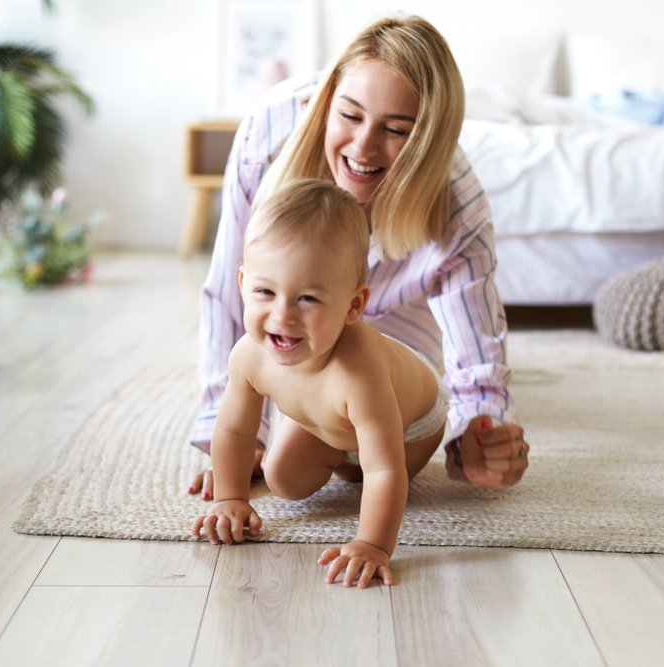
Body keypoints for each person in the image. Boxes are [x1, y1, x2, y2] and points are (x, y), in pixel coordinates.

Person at [188, 14, 529, 503]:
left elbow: (475, 351)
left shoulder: (456, 202)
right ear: (327, 103)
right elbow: (230, 291)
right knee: (287, 459)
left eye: (396, 129)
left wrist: (480, 435)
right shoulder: (268, 133)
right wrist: (234, 442)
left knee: (365, 395)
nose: (363, 146)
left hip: (398, 321)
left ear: (428, 141)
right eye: (350, 116)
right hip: (296, 305)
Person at [192, 179, 452, 588]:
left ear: (354, 305)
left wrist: (372, 544)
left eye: (308, 299)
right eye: (265, 291)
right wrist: (230, 498)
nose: (283, 316)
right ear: (243, 284)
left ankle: (347, 460)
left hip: (411, 424)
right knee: (283, 480)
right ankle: (337, 452)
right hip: (328, 419)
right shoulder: (248, 356)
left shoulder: (358, 372)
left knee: (369, 474)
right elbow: (234, 429)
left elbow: (385, 467)